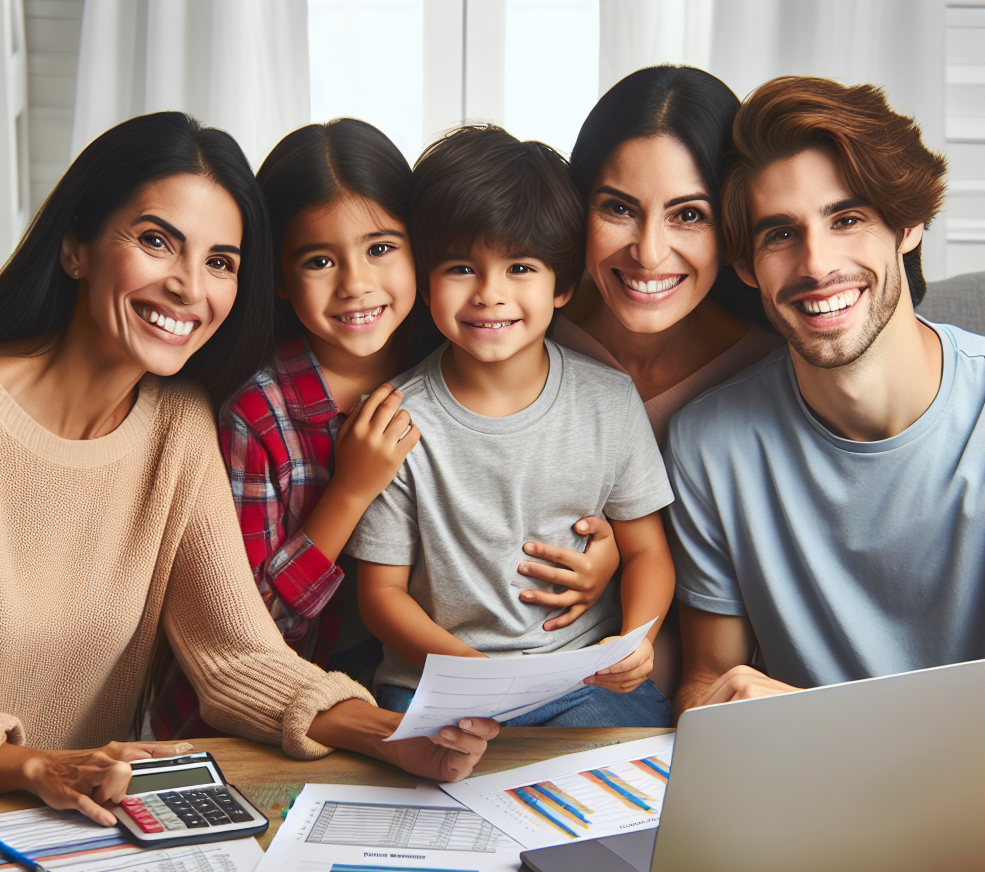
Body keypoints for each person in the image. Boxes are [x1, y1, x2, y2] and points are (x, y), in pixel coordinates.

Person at [0, 111, 498, 823]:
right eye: (157, 242)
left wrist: (392, 736)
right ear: (74, 248)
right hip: (21, 807)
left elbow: (236, 654)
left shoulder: (176, 422)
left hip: (73, 825)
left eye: (219, 262)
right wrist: (25, 764)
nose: (190, 287)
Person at [153, 118, 623, 736]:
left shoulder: (467, 352)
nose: (356, 285)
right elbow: (248, 631)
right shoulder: (258, 414)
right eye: (320, 260)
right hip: (278, 709)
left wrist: (603, 554)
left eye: (380, 249)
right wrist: (350, 490)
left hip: (411, 682)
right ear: (281, 278)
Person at [661, 76, 985, 713]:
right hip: (804, 796)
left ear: (909, 223)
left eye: (848, 219)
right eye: (780, 233)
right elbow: (704, 679)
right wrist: (718, 710)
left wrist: (827, 721)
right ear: (747, 266)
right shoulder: (709, 445)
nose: (816, 263)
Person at [346, 125, 676, 727]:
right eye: (461, 268)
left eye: (520, 267)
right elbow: (381, 595)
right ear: (425, 281)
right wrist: (476, 676)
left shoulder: (607, 399)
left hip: (580, 679)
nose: (489, 294)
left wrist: (635, 639)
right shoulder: (395, 418)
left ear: (564, 285)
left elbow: (648, 549)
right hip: (442, 683)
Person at [552, 66, 782, 693]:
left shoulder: (775, 368)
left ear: (732, 223)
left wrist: (628, 566)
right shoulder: (520, 327)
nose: (649, 253)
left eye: (688, 215)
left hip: (682, 694)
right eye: (619, 208)